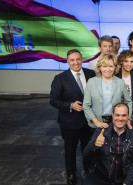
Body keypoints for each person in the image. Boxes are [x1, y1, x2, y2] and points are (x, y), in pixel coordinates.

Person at [50, 49, 95, 185]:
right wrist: (70, 105)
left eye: (78, 59)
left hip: (88, 121)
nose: (76, 62)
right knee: (70, 150)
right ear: (67, 61)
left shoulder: (91, 74)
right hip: (70, 122)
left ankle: (89, 169)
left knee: (87, 147)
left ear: (82, 59)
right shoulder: (60, 78)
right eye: (72, 60)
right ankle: (71, 174)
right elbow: (53, 100)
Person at [82, 103, 133, 185]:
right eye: (117, 115)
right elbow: (85, 155)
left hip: (123, 178)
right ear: (112, 115)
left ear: (128, 117)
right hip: (101, 178)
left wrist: (126, 182)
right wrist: (94, 145)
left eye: (124, 115)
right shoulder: (100, 131)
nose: (120, 118)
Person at [83, 54, 132, 130]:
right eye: (104, 66)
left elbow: (129, 102)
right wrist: (96, 122)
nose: (108, 69)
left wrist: (127, 119)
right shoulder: (91, 82)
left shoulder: (120, 82)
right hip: (97, 123)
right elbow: (86, 105)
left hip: (116, 123)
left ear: (115, 67)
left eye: (111, 66)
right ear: (100, 67)